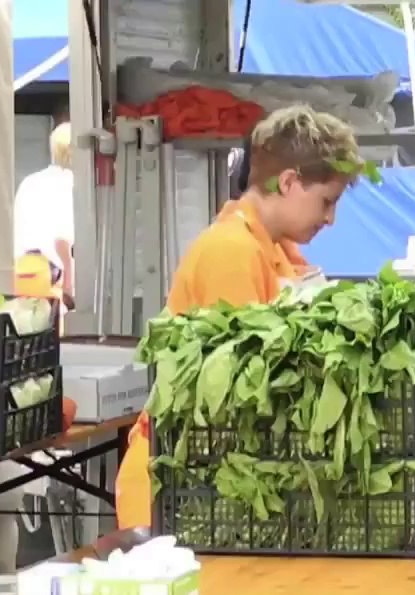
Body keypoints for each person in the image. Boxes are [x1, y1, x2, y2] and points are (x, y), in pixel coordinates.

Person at [113, 104, 363, 531]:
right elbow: (245, 396)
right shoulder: (230, 252)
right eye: (327, 201)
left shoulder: (279, 250)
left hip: (219, 483)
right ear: (288, 182)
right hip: (175, 487)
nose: (330, 218)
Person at [13, 122, 76, 308]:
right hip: (53, 284)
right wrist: (69, 289)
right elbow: (62, 242)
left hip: (23, 277)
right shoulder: (73, 184)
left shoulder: (29, 182)